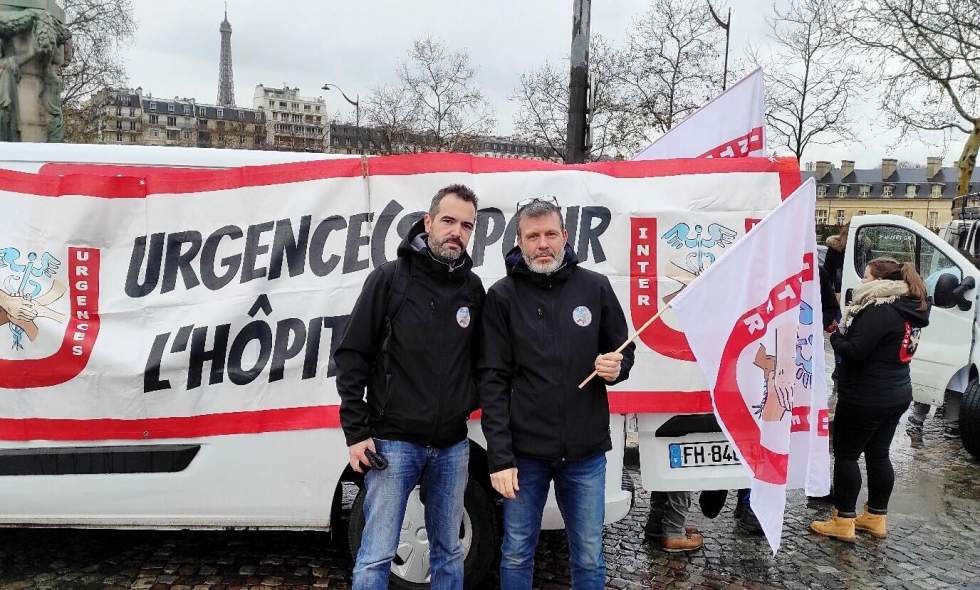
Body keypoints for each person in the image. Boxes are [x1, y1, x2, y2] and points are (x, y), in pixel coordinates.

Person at [478, 197, 635, 589]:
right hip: (524, 454)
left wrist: (616, 368)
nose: (542, 243)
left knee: (588, 553)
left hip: (585, 452)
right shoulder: (501, 297)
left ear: (565, 236)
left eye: (550, 234)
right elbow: (492, 380)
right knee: (515, 551)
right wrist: (499, 456)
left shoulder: (594, 287)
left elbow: (623, 349)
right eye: (533, 236)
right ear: (519, 240)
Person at [336, 184, 485, 590]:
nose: (457, 232)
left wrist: (463, 401)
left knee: (449, 553)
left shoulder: (472, 289)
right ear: (428, 222)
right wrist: (357, 431)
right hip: (393, 445)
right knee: (376, 555)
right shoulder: (390, 279)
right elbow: (351, 355)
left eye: (466, 225)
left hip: (453, 446)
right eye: (449, 221)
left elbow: (485, 362)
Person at [810, 257, 930, 542]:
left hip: (866, 395)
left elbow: (856, 350)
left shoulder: (881, 310)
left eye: (865, 277)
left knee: (847, 455)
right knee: (878, 454)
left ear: (880, 282)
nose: (861, 282)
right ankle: (876, 517)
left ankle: (843, 520)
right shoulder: (912, 306)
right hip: (897, 392)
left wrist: (835, 336)